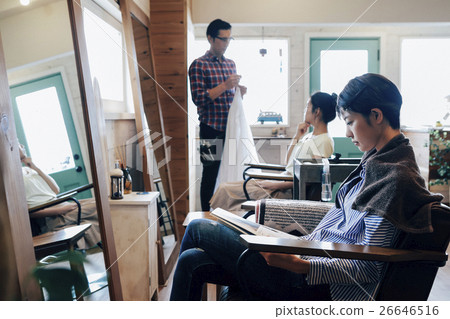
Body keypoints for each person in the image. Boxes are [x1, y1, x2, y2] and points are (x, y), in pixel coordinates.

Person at [169, 73, 443, 301]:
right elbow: (344, 225)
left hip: (315, 282)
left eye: (350, 122)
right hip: (307, 255)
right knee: (193, 260)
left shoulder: (395, 179)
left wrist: (300, 264)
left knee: (197, 227)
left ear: (376, 115)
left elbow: (368, 267)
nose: (347, 132)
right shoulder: (380, 162)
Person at [210, 92, 337, 214]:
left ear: (317, 111)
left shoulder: (324, 140)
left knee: (227, 190)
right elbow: (288, 162)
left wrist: (273, 184)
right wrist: (297, 136)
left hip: (288, 191)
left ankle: (215, 227)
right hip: (282, 181)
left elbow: (310, 179)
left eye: (308, 106)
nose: (305, 109)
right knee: (225, 187)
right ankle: (216, 224)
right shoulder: (309, 136)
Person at [189, 18, 247, 211]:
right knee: (210, 174)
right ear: (210, 39)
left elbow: (229, 97)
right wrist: (225, 86)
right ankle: (206, 216)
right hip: (209, 130)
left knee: (231, 172)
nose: (226, 43)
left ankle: (227, 215)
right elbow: (199, 99)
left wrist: (239, 93)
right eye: (223, 39)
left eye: (229, 39)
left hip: (231, 129)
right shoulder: (198, 65)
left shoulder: (231, 64)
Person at [20, 144, 100, 249]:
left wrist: (35, 167)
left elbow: (55, 190)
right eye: (18, 144)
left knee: (102, 202)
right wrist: (60, 210)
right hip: (52, 216)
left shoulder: (29, 168)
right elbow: (27, 213)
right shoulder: (14, 177)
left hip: (61, 203)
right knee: (102, 206)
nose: (22, 145)